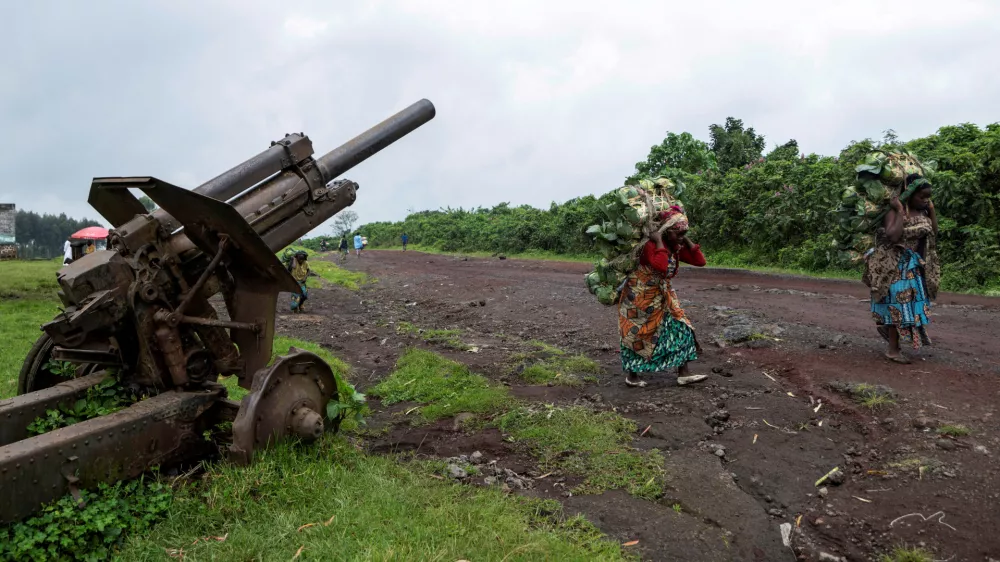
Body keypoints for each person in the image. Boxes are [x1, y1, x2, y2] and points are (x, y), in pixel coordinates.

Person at [618, 205, 709, 388]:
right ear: (665, 232)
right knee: (637, 334)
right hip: (640, 296)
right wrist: (659, 242)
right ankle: (632, 376)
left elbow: (700, 261)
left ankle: (684, 373)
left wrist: (686, 240)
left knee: (680, 326)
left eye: (685, 233)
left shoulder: (675, 245)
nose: (682, 237)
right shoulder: (649, 246)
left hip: (663, 295)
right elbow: (660, 266)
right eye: (678, 233)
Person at [863, 174, 939, 364]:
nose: (925, 200)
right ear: (909, 194)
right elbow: (894, 237)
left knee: (909, 308)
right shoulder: (894, 211)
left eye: (928, 197)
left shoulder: (923, 212)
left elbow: (933, 232)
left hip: (915, 268)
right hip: (894, 267)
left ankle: (894, 343)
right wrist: (898, 210)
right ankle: (893, 350)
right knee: (896, 306)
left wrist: (932, 210)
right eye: (922, 196)